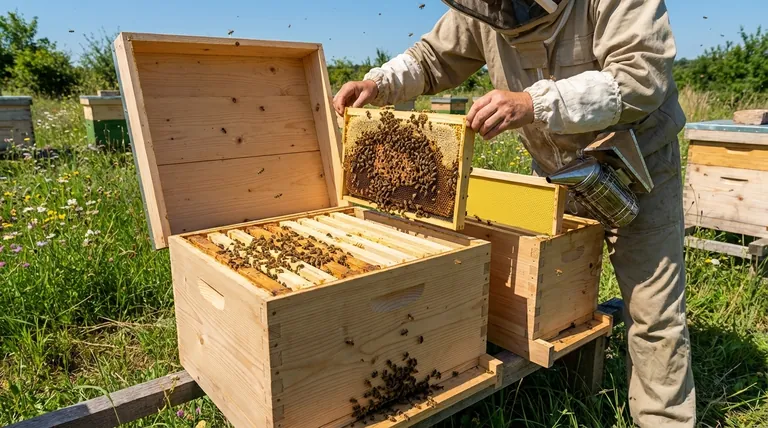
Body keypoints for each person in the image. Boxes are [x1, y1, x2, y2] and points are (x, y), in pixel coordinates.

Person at [332, 0, 695, 426]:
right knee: (552, 296)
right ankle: (562, 389)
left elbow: (641, 78)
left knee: (655, 313)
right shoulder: (484, 8)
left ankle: (664, 419)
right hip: (556, 174)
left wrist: (532, 103)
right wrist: (381, 83)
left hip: (637, 165)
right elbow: (432, 57)